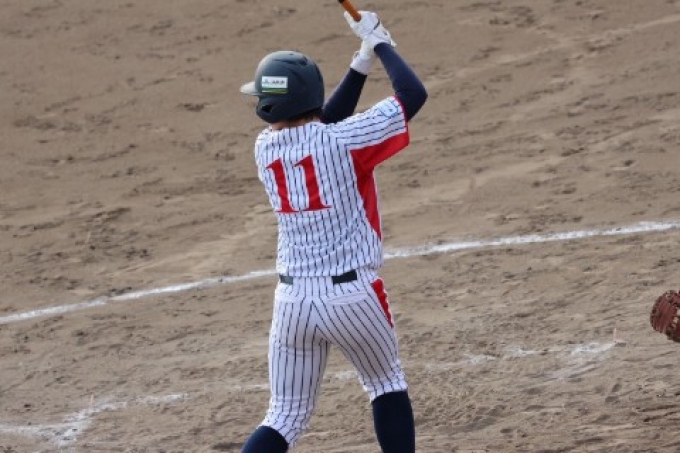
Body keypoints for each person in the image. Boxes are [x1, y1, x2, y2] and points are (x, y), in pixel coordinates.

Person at [238, 10, 427, 453]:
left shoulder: (265, 148)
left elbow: (320, 122)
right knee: (386, 384)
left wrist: (361, 62)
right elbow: (412, 94)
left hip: (291, 304)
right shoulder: (346, 142)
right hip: (351, 299)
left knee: (283, 416)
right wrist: (381, 45)